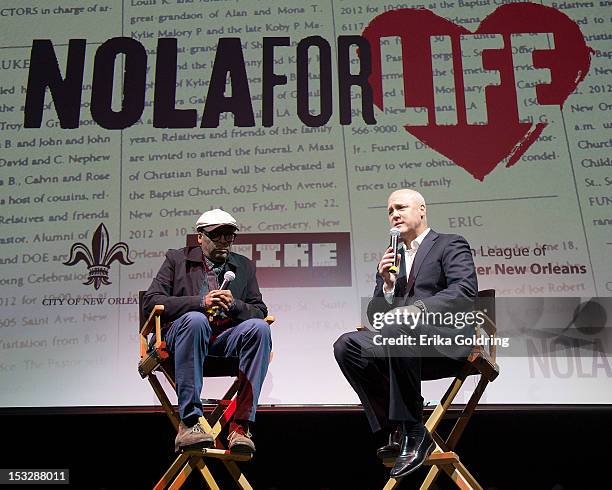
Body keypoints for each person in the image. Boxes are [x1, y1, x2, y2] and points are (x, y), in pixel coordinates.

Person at [334, 189, 478, 479]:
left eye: (401, 207)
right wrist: (387, 286)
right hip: (402, 346)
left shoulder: (449, 244)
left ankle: (412, 429)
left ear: (422, 210)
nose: (394, 214)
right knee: (347, 345)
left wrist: (417, 309)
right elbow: (376, 316)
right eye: (390, 211)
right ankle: (399, 427)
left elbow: (464, 291)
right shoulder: (391, 259)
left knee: (399, 324)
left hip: (443, 342)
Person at [143, 209, 271, 454]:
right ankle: (190, 422)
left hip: (223, 340)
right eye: (217, 235)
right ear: (199, 237)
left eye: (229, 236)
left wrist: (235, 305)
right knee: (196, 320)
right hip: (182, 337)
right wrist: (200, 302)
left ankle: (240, 427)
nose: (224, 241)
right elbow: (151, 302)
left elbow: (259, 310)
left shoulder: (243, 266)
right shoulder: (176, 260)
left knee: (259, 328)